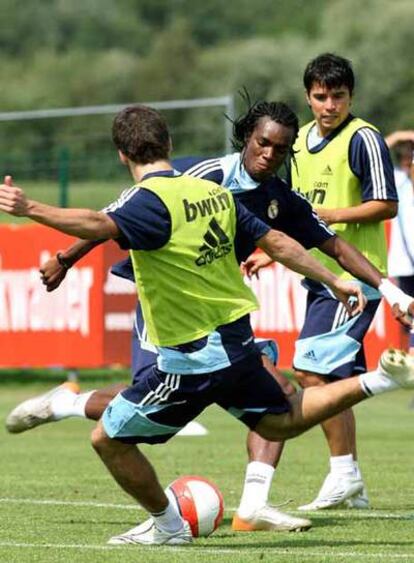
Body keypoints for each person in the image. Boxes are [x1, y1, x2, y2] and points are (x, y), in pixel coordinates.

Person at [0, 104, 413, 547]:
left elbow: (103, 221)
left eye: (281, 149)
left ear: (122, 155)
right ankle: (380, 380)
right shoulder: (213, 186)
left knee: (112, 436)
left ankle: (175, 523)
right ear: (175, 146)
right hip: (204, 321)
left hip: (197, 345)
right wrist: (65, 258)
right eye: (263, 143)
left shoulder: (213, 196)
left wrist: (29, 207)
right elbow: (268, 240)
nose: (271, 155)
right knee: (279, 417)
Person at [289, 53, 399, 511]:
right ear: (308, 97)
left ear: (350, 96)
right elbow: (295, 208)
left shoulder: (365, 138)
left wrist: (333, 215)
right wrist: (265, 252)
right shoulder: (296, 142)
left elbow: (385, 204)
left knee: (310, 371)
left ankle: (343, 475)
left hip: (355, 278)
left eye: (337, 96)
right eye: (320, 96)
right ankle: (351, 484)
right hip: (320, 276)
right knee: (333, 379)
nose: (329, 105)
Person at [386, 131, 414, 353]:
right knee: (410, 311)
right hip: (405, 263)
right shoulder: (398, 181)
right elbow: (376, 155)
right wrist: (398, 136)